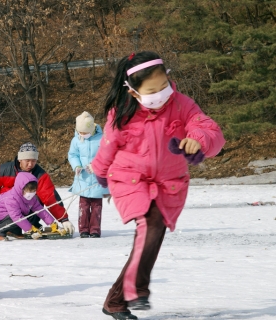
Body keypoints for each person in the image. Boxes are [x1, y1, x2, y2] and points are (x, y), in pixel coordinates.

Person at [92, 51, 225, 320]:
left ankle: (116, 301)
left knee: (151, 238)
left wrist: (198, 139)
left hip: (169, 183)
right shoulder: (122, 114)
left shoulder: (181, 104)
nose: (161, 94)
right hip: (129, 178)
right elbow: (108, 147)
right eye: (152, 90)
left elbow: (208, 128)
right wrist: (100, 174)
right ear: (133, 91)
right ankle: (137, 289)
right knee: (150, 225)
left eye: (164, 86)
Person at [0, 142, 75, 236]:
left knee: (35, 199)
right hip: (6, 203)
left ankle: (26, 228)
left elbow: (50, 196)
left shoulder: (40, 175)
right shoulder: (4, 169)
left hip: (25, 205)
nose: (30, 164)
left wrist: (63, 219)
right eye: (27, 161)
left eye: (33, 161)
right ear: (20, 159)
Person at [68, 111, 109, 238]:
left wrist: (97, 166)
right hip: (83, 178)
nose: (82, 135)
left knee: (96, 206)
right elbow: (73, 155)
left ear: (92, 129)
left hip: (97, 179)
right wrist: (77, 166)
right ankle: (84, 229)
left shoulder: (102, 139)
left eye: (85, 132)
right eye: (80, 132)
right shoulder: (76, 140)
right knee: (84, 205)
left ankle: (95, 229)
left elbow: (107, 156)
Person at [0, 172, 59, 241]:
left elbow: (39, 210)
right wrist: (30, 229)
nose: (31, 193)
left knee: (29, 215)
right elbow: (16, 217)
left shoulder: (32, 198)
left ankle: (13, 231)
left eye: (33, 190)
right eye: (29, 190)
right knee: (16, 219)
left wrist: (52, 223)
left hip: (11, 213)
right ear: (21, 188)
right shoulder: (12, 198)